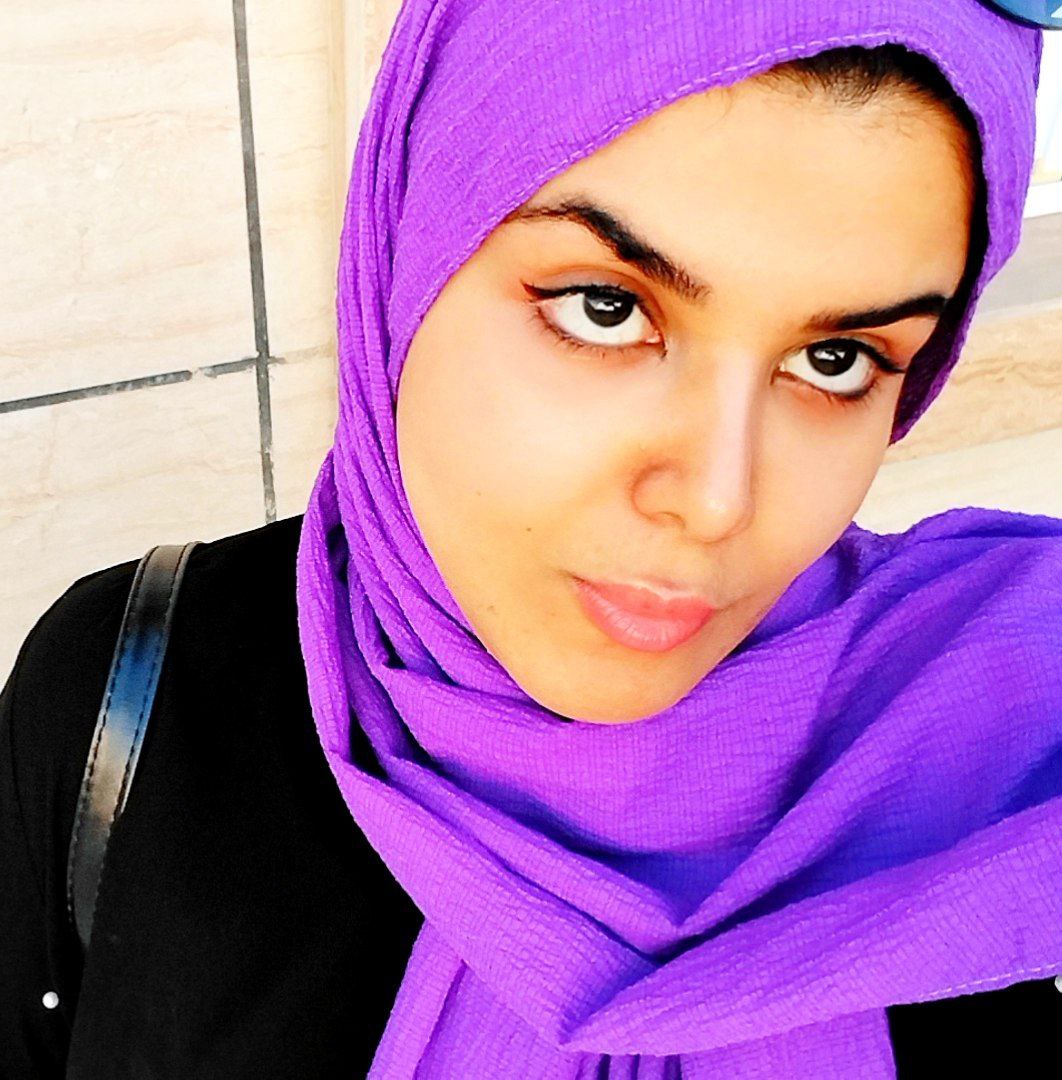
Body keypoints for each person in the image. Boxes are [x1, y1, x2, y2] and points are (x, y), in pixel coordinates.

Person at [3, 1, 1061, 1077]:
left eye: (837, 360)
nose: (715, 502)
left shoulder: (1015, 775)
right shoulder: (131, 695)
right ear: (408, 253)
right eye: (605, 307)